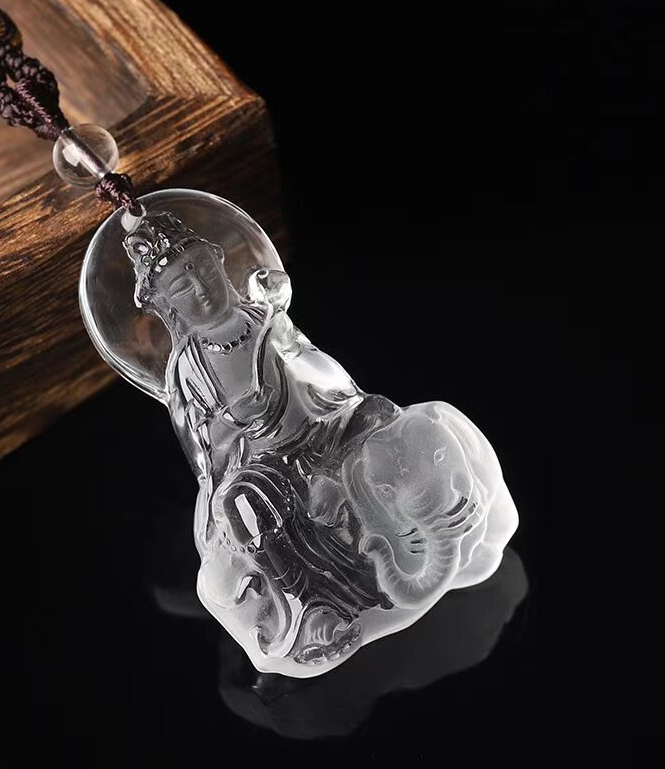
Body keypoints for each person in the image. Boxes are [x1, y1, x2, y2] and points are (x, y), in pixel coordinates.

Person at [124, 212, 517, 674]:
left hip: (324, 426)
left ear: (220, 263)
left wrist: (338, 400)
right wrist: (235, 425)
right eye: (182, 288)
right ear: (167, 307)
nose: (202, 290)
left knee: (390, 427)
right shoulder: (187, 368)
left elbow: (317, 368)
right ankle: (311, 609)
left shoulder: (265, 319)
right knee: (241, 504)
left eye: (204, 271)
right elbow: (205, 452)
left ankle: (456, 524)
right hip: (268, 461)